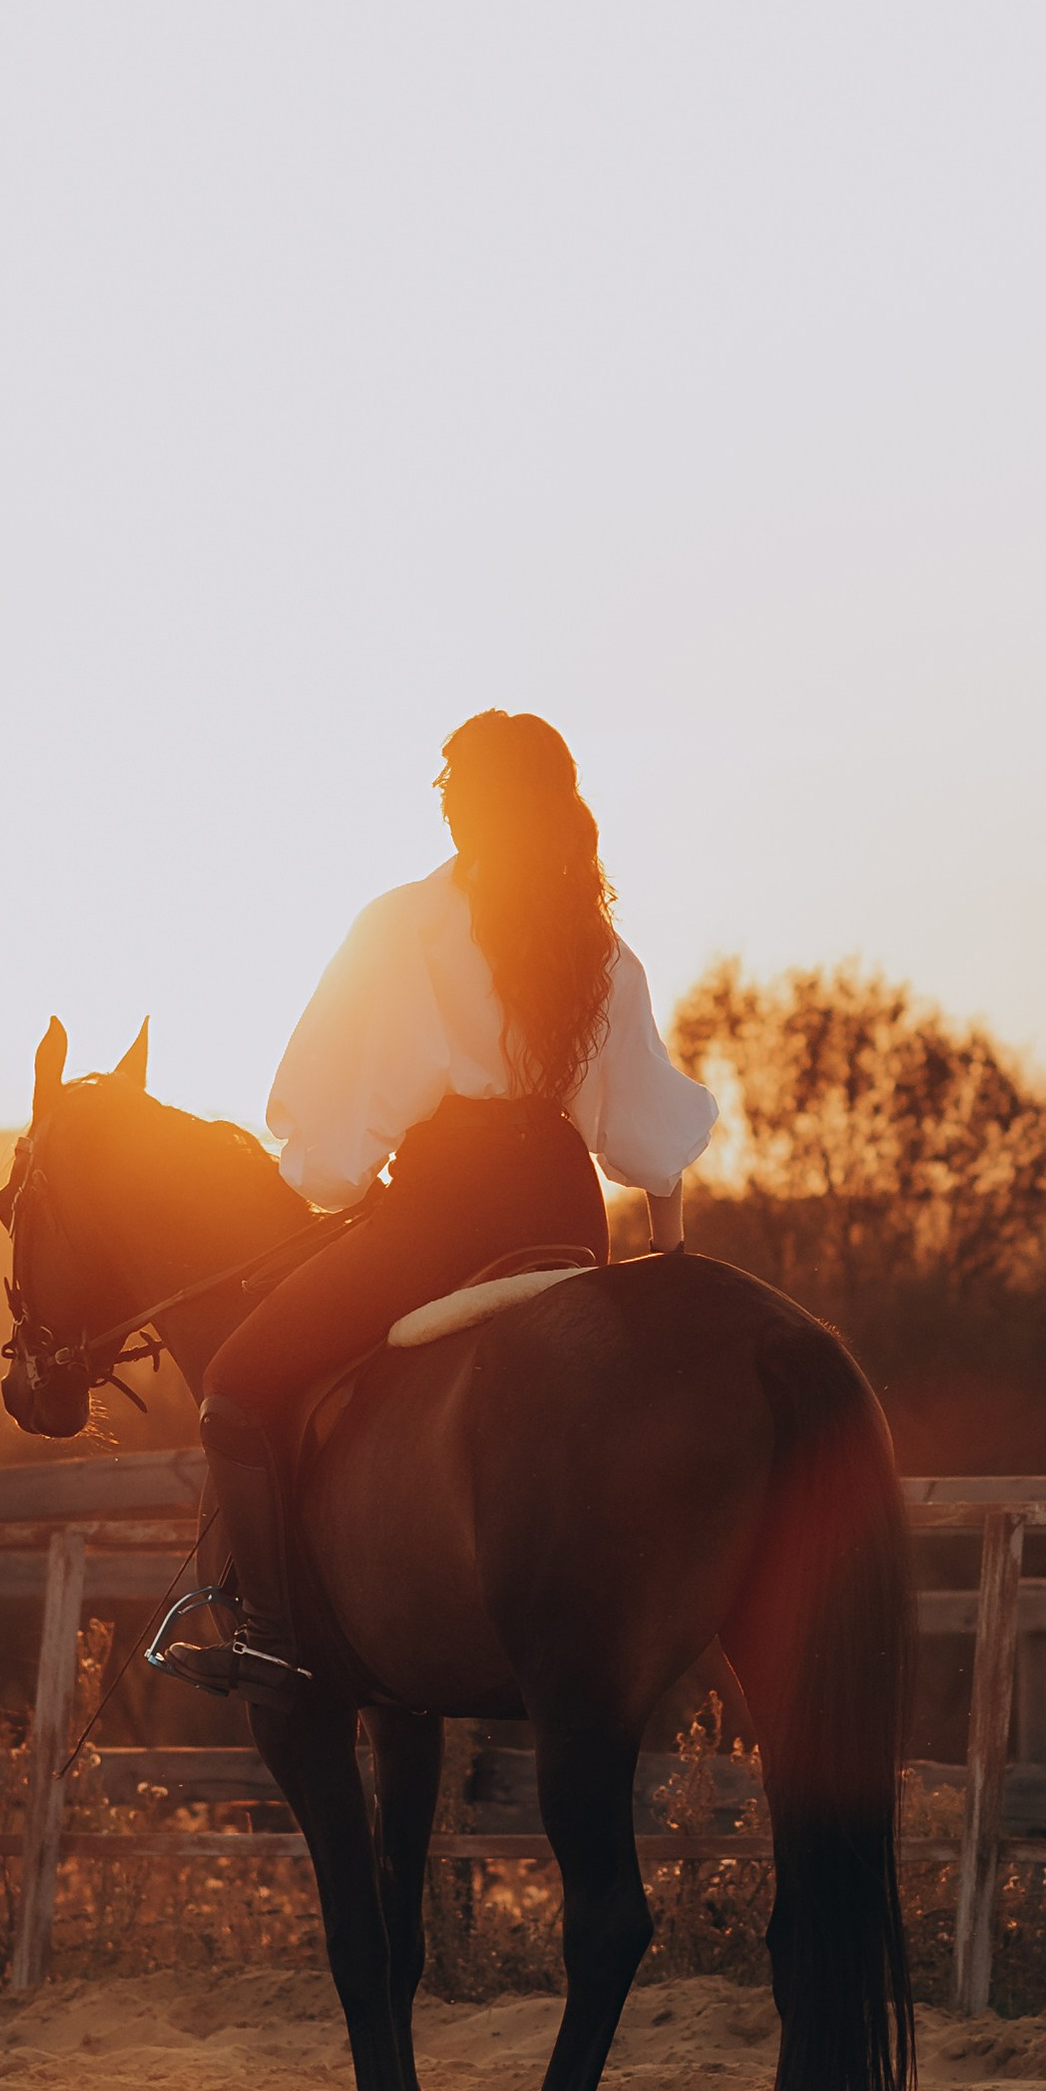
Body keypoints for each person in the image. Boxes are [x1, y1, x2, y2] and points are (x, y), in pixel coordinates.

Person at [197, 709, 717, 1658]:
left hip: (446, 1208)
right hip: (566, 1214)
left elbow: (349, 1102)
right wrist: (670, 1260)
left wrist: (333, 1177)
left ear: (467, 807)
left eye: (452, 792)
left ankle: (269, 1636)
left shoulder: (406, 925)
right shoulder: (599, 946)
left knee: (234, 1385)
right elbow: (648, 1133)